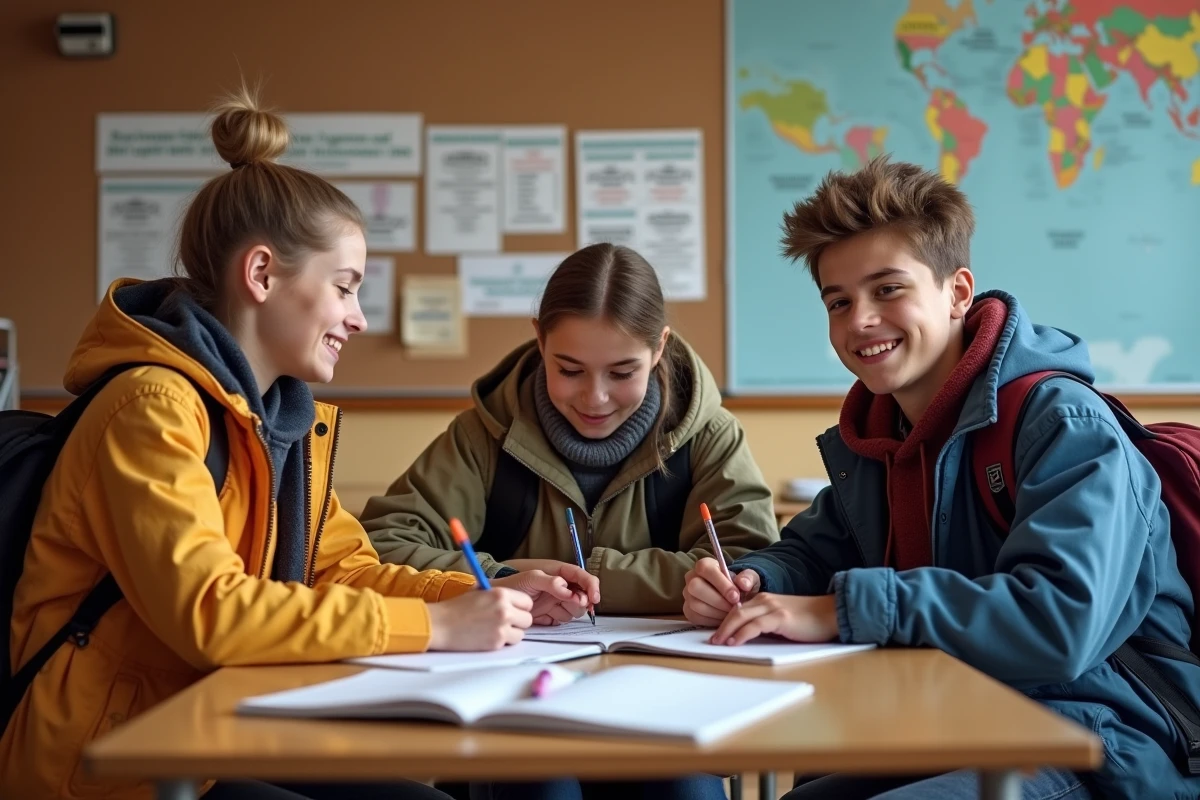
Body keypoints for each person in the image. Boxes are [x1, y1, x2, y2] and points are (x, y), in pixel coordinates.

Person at [0, 85, 586, 800]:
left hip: (211, 725)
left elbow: (337, 570)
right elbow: (212, 614)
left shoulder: (280, 417)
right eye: (345, 287)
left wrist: (486, 592)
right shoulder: (150, 409)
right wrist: (434, 624)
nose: (359, 318)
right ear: (261, 274)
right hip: (108, 760)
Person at [682, 156, 1200, 800]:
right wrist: (757, 579)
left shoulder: (1062, 424)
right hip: (952, 719)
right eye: (838, 301)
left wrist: (841, 611)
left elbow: (1059, 622)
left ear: (958, 293)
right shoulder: (879, 437)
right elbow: (818, 548)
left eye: (887, 289)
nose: (860, 321)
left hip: (1100, 736)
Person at [363, 242, 779, 799]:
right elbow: (383, 545)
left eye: (623, 371)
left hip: (672, 696)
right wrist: (504, 577)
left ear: (660, 348)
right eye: (569, 369)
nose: (595, 397)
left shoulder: (709, 435)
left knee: (680, 785)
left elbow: (754, 563)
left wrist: (615, 577)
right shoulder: (481, 435)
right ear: (539, 340)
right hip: (516, 695)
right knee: (538, 778)